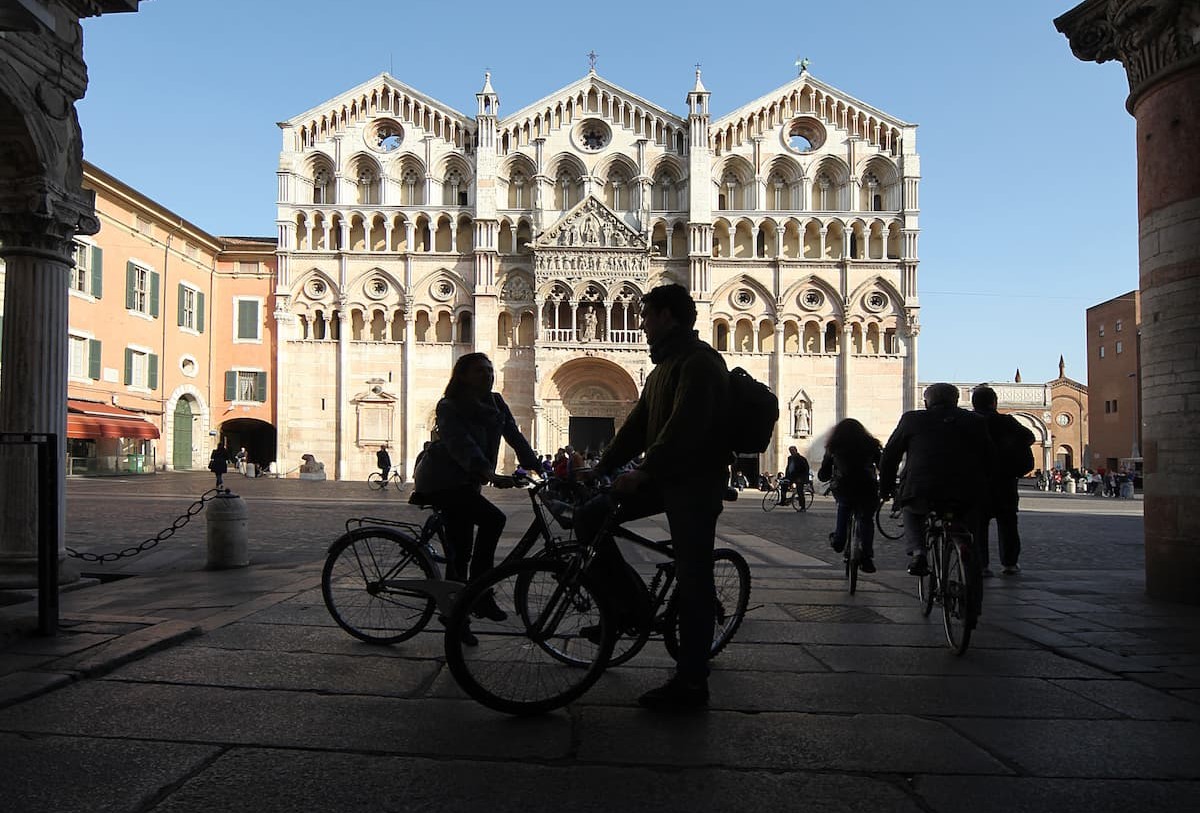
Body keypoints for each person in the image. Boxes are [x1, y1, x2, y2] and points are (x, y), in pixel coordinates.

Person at [575, 283, 730, 712]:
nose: (640, 322)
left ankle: (692, 683)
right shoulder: (665, 366)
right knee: (589, 518)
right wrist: (603, 466)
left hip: (695, 483)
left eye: (645, 315)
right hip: (666, 478)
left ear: (666, 316)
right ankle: (629, 607)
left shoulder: (699, 363)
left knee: (693, 578)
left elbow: (686, 427)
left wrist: (645, 470)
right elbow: (640, 425)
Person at [411, 352, 541, 616]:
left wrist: (539, 467)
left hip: (467, 483)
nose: (488, 375)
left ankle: (455, 616)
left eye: (490, 370)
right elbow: (460, 444)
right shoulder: (449, 405)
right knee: (493, 520)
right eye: (480, 371)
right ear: (463, 376)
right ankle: (481, 592)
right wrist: (489, 474)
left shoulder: (495, 402)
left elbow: (514, 436)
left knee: (460, 552)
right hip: (442, 481)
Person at [879, 383, 994, 579]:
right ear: (956, 401)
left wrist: (887, 488)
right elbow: (990, 456)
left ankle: (918, 553)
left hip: (922, 489)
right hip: (965, 491)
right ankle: (972, 564)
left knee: (911, 511)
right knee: (969, 527)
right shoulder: (975, 420)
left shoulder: (912, 419)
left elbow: (890, 456)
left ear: (926, 402)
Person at [971, 385, 1036, 576]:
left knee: (979, 525)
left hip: (978, 481)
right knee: (1008, 524)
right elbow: (1029, 437)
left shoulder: (970, 421)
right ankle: (1010, 563)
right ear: (994, 402)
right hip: (1005, 481)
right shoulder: (1006, 421)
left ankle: (982, 565)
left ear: (974, 403)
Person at [817, 420, 881, 573]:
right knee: (866, 518)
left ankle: (839, 540)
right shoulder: (871, 445)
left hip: (844, 487)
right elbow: (882, 466)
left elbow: (824, 473)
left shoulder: (834, 446)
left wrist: (825, 475)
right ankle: (866, 556)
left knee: (844, 506)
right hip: (867, 487)